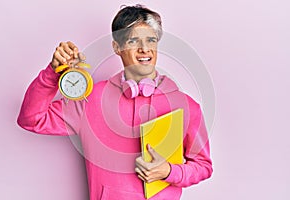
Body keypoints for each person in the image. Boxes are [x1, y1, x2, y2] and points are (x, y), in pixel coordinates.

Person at [17, 4, 212, 200]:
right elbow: (31, 119)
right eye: (134, 41)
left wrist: (170, 172)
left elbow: (203, 166)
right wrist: (52, 73)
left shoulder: (185, 105)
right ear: (117, 47)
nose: (144, 49)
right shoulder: (90, 100)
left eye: (151, 40)